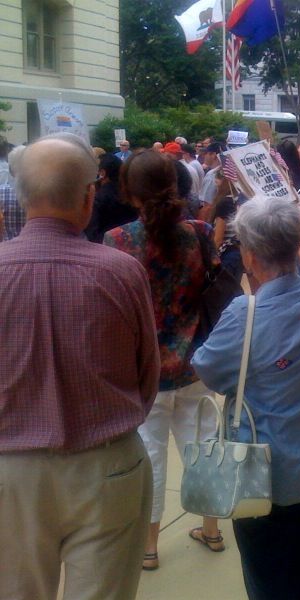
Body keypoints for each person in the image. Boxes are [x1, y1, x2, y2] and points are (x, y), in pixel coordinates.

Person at [0, 133, 160, 599]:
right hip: (107, 465)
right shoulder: (120, 272)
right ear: (89, 196)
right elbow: (147, 375)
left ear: (22, 197)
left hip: (10, 471)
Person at [193, 197, 300, 600]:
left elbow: (208, 369)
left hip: (263, 478)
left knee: (269, 579)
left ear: (249, 254)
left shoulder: (245, 313)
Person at [104, 150, 227, 571]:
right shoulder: (200, 232)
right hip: (196, 362)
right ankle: (212, 529)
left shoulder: (118, 241)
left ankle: (149, 546)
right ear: (175, 184)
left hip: (145, 370)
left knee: (151, 457)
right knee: (205, 447)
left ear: (128, 191)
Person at [85, 153, 138, 243]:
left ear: (102, 173)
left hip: (105, 246)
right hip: (132, 244)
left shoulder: (98, 199)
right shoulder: (132, 194)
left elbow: (92, 235)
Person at [0, 145, 26, 241]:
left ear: (10, 170)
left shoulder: (1, 192)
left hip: (4, 247)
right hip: (33, 246)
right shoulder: (42, 195)